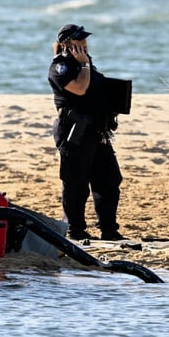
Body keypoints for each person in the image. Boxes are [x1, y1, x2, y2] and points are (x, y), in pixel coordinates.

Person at [47, 23, 125, 241]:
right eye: (78, 41)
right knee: (76, 183)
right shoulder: (60, 67)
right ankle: (75, 230)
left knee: (109, 180)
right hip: (74, 131)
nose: (83, 44)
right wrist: (83, 65)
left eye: (84, 40)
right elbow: (79, 89)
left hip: (97, 131)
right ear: (66, 44)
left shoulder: (88, 65)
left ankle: (109, 230)